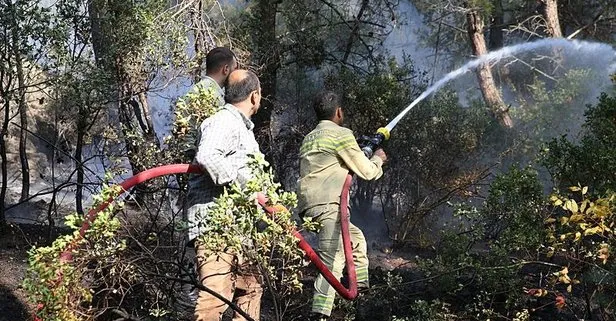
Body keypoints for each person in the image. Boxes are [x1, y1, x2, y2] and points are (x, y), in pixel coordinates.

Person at [297, 91, 387, 320]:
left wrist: (359, 150)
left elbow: (333, 161)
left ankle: (361, 293)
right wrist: (378, 159)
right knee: (333, 259)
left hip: (311, 206)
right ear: (338, 112)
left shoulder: (310, 137)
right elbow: (367, 172)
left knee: (356, 241)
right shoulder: (341, 134)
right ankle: (319, 314)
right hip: (329, 206)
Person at [186, 69, 263, 321]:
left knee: (251, 289)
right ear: (254, 96)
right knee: (215, 297)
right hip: (216, 227)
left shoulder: (242, 128)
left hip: (237, 229)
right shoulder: (223, 121)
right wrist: (244, 185)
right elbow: (208, 155)